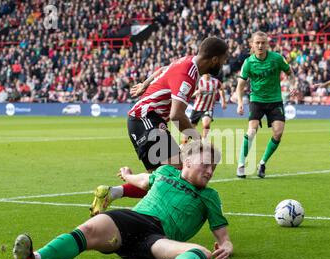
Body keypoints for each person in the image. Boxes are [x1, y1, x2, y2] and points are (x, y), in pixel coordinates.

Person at [13, 141, 233, 259]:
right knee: (89, 229)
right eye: (206, 164)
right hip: (131, 221)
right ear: (186, 161)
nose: (210, 171)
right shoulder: (166, 171)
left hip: (157, 238)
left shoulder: (210, 196)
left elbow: (223, 236)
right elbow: (143, 180)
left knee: (201, 251)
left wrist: (226, 246)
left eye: (213, 167)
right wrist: (127, 176)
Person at [89, 37, 229, 215]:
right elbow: (176, 115)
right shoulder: (188, 75)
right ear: (215, 59)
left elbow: (163, 70)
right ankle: (134, 196)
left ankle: (112, 192)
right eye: (224, 59)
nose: (224, 63)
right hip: (146, 119)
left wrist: (145, 84)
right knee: (180, 172)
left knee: (159, 181)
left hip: (145, 120)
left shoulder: (187, 61)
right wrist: (198, 140)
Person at [235, 31, 298, 178]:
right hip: (257, 100)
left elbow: (290, 73)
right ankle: (241, 164)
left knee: (278, 133)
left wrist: (293, 85)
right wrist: (239, 102)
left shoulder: (276, 59)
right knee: (252, 131)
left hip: (275, 100)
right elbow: (240, 85)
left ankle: (262, 163)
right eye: (257, 43)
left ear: (267, 44)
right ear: (252, 44)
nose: (260, 45)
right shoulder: (248, 62)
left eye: (263, 43)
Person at [187, 73, 227, 140]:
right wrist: (197, 92)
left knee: (206, 125)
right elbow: (190, 95)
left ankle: (204, 141)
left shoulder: (215, 81)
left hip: (208, 108)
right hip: (197, 108)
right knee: (190, 128)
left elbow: (221, 88)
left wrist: (223, 100)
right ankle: (184, 143)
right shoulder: (198, 81)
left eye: (209, 72)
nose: (208, 73)